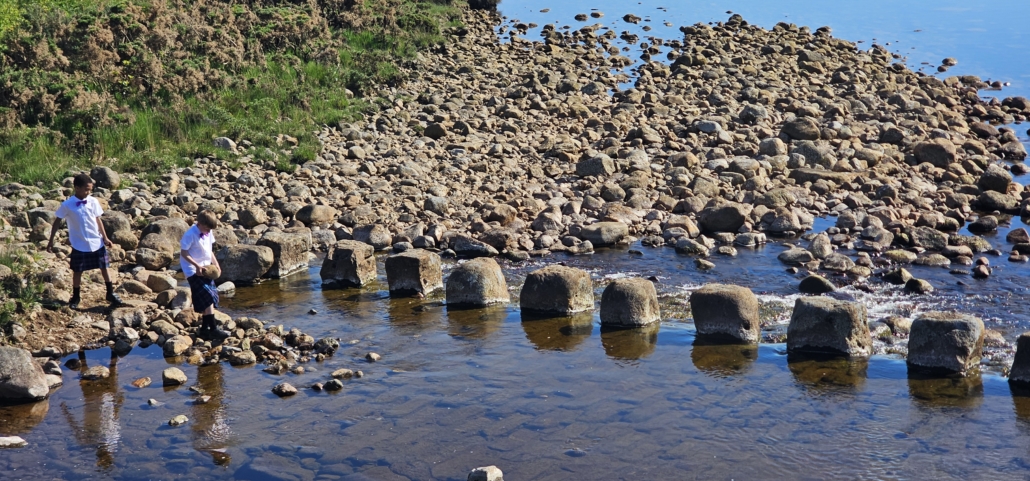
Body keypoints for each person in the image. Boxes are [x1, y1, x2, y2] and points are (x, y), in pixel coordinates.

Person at [46, 173, 122, 310]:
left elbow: (98, 219)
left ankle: (110, 293)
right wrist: (50, 240)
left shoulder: (93, 201)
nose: (89, 192)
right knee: (77, 270)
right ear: (77, 188)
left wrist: (105, 238)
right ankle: (76, 296)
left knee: (104, 267)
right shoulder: (67, 205)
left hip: (96, 240)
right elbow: (57, 221)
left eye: (90, 189)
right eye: (86, 189)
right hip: (79, 243)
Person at [180, 211, 228, 341]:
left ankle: (204, 330)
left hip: (206, 268)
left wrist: (216, 264)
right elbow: (184, 253)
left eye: (209, 230)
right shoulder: (190, 234)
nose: (208, 232)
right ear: (199, 224)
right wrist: (196, 266)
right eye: (206, 229)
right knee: (207, 296)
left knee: (211, 297)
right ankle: (213, 330)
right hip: (192, 270)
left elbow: (210, 250)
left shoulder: (208, 231)